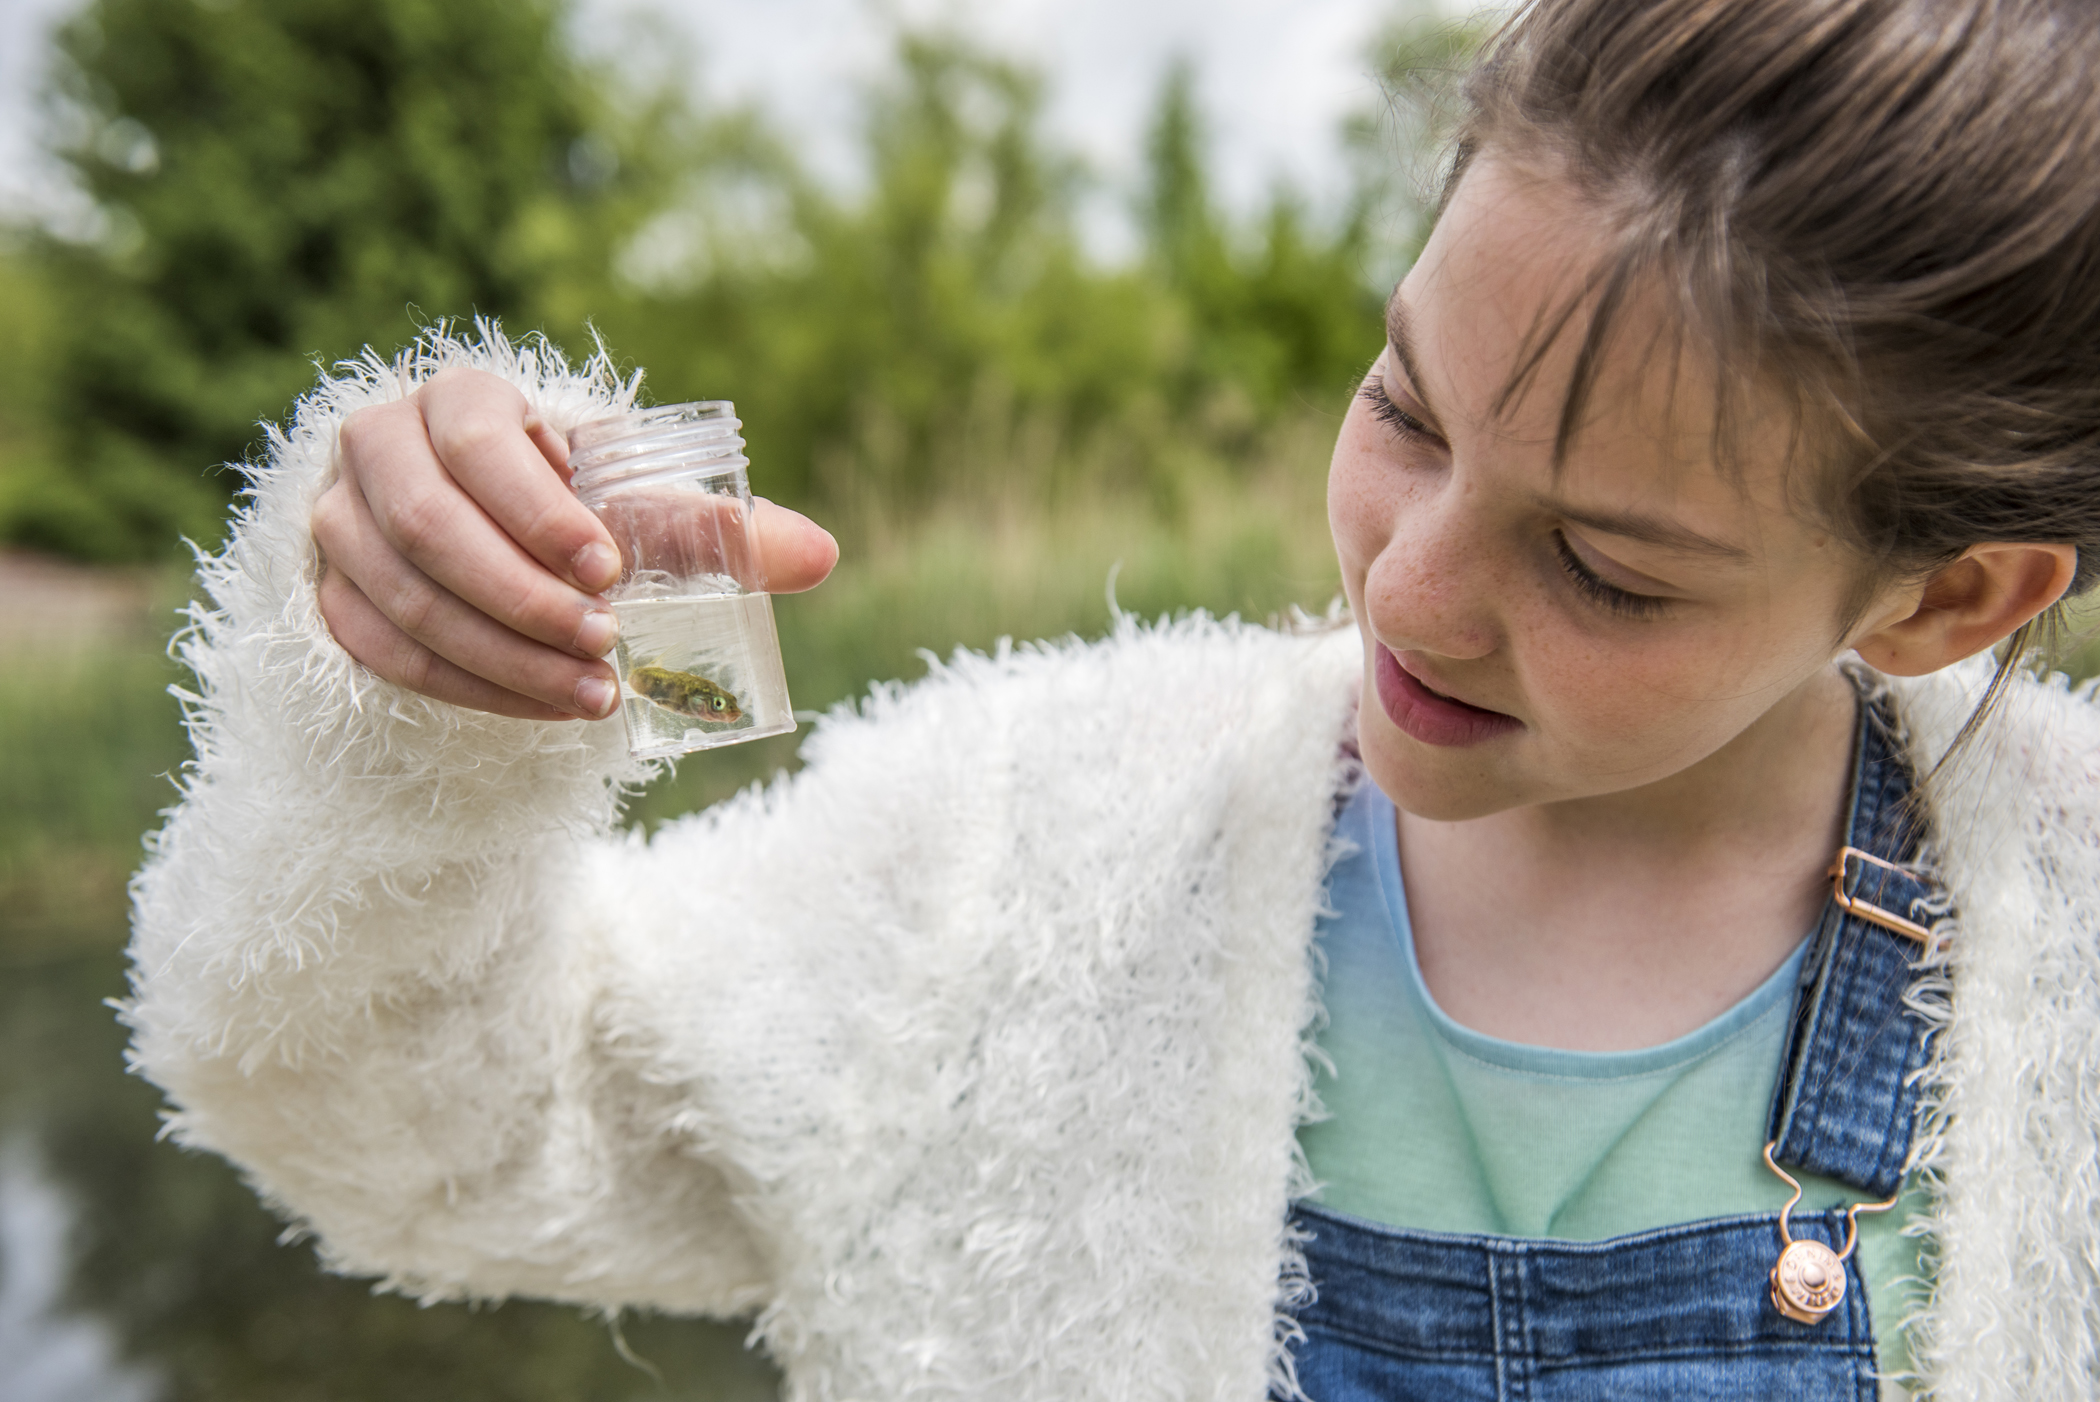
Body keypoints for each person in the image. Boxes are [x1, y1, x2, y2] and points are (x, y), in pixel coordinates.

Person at [124, 0, 2100, 1397]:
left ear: (1947, 597)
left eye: (1606, 566)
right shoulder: (1019, 859)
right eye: (1403, 405)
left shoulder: (2069, 972)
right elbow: (411, 1143)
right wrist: (413, 710)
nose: (1402, 582)